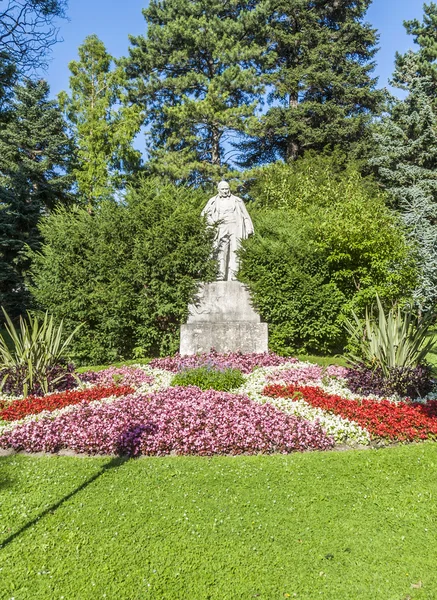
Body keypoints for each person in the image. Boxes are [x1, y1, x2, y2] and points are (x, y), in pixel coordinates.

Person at [202, 180, 254, 280]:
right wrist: (212, 222)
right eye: (223, 189)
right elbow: (205, 214)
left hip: (235, 225)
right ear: (218, 190)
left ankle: (235, 274)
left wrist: (248, 227)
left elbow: (245, 215)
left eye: (227, 189)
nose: (225, 191)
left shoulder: (237, 200)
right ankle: (219, 273)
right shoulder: (213, 201)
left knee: (236, 249)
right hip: (220, 227)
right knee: (220, 249)